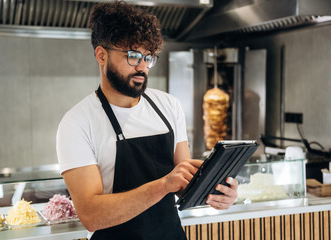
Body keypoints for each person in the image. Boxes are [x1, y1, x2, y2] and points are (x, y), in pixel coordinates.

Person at [56, 1, 238, 239]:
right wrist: (162, 185)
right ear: (102, 55)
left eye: (148, 57)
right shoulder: (77, 123)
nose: (142, 67)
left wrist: (218, 191)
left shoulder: (168, 106)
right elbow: (91, 215)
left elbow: (184, 185)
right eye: (133, 56)